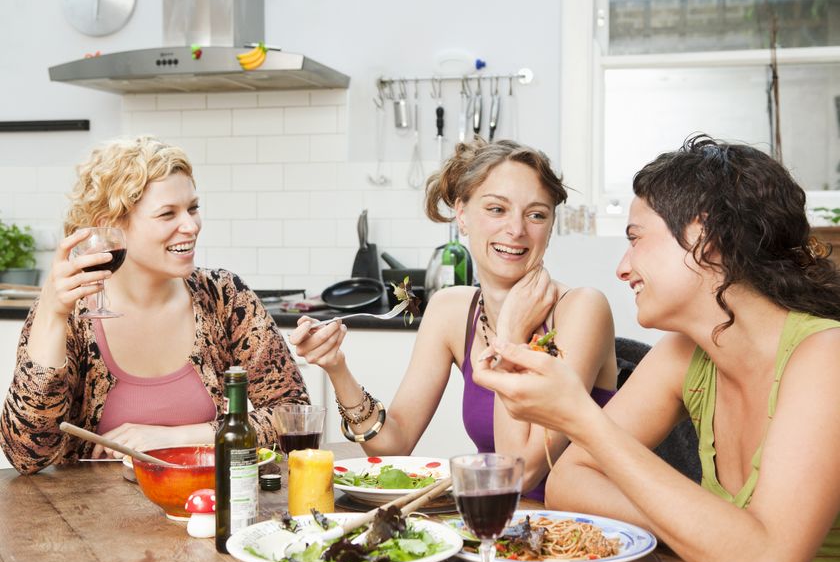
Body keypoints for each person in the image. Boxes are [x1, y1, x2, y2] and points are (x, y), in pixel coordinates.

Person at [473, 134, 840, 562]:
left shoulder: (825, 357)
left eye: (636, 238)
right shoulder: (686, 354)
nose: (622, 267)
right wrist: (711, 536)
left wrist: (580, 416)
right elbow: (568, 483)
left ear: (705, 237)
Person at [290, 138, 617, 501]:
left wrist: (510, 333)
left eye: (536, 214)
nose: (516, 229)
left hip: (576, 535)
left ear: (550, 226)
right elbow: (393, 446)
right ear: (461, 214)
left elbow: (520, 471)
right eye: (496, 209)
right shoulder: (451, 310)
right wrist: (337, 367)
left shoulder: (583, 309)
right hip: (489, 520)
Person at [0, 136, 309, 475]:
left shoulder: (222, 296)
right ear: (112, 224)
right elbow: (27, 455)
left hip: (205, 514)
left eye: (192, 208)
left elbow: (294, 419)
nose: (191, 226)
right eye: (167, 214)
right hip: (91, 520)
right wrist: (51, 313)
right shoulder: (74, 314)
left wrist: (177, 437)